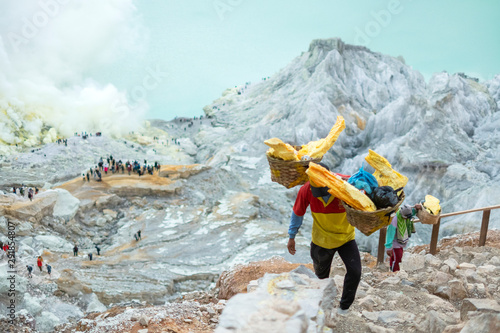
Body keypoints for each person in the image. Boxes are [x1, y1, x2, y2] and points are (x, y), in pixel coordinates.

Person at [287, 163, 361, 315]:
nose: (319, 193)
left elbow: (366, 192)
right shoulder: (306, 189)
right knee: (321, 277)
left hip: (345, 238)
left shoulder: (345, 185)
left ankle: (344, 308)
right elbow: (297, 213)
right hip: (322, 240)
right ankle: (321, 308)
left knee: (355, 272)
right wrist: (291, 236)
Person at [385, 204, 422, 272]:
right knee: (398, 258)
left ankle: (391, 267)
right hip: (395, 242)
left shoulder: (406, 213)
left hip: (400, 241)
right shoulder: (394, 219)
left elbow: (413, 211)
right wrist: (389, 247)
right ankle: (395, 272)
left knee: (395, 256)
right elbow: (390, 234)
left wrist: (417, 208)